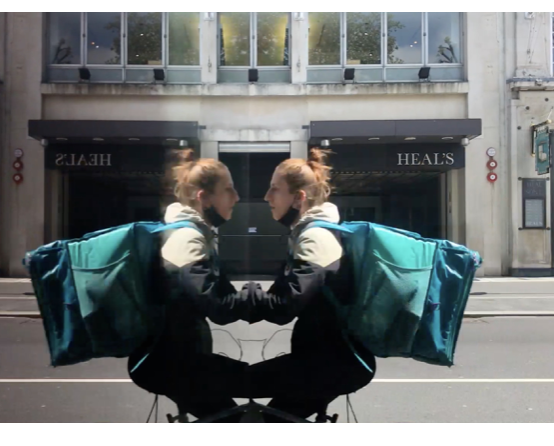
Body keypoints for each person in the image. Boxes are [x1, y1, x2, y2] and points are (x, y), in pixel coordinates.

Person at [239, 148, 375, 421]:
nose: (267, 197)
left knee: (247, 393)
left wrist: (244, 295)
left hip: (333, 364)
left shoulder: (316, 237)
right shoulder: (306, 234)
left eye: (275, 189)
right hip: (322, 360)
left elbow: (283, 307)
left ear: (298, 198)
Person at [126, 150, 252, 421]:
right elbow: (217, 305)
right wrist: (258, 300)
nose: (236, 197)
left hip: (182, 358)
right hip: (170, 363)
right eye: (228, 190)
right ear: (203, 198)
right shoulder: (185, 238)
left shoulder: (195, 234)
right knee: (237, 419)